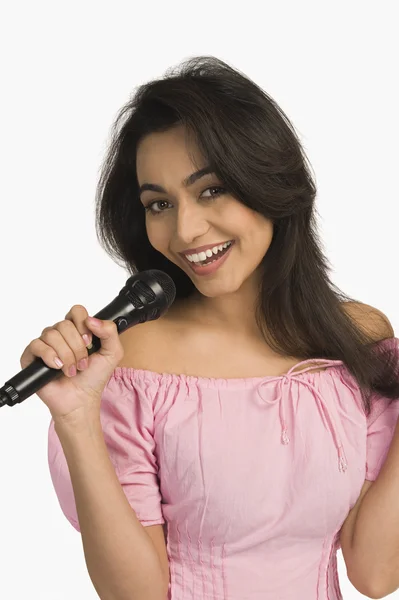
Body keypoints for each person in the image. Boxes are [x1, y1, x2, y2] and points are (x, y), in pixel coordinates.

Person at [21, 56, 399, 599]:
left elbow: (376, 571)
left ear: (268, 181)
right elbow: (137, 594)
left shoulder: (357, 340)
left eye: (212, 190)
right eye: (159, 204)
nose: (186, 230)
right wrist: (78, 420)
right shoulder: (126, 365)